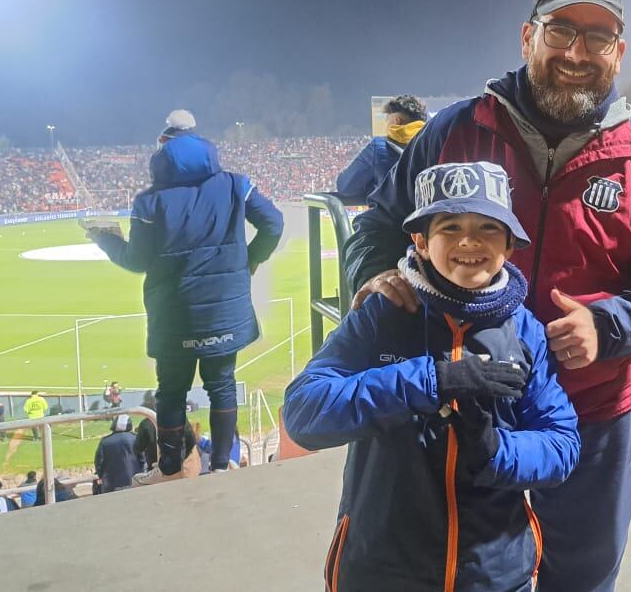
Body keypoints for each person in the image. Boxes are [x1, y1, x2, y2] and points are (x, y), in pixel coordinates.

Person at [338, 0, 631, 590]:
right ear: (527, 36)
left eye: (598, 37)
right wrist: (373, 275)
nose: (577, 52)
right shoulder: (454, 130)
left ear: (619, 53)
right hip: (451, 407)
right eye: (561, 30)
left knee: (579, 581)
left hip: (592, 415)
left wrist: (608, 325)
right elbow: (378, 227)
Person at [284, 162, 581, 591]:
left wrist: (496, 450)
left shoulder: (525, 331)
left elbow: (562, 444)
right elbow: (304, 413)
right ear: (420, 242)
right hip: (383, 570)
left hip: (493, 574)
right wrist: (429, 380)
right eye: (450, 226)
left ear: (511, 246)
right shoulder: (383, 314)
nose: (469, 240)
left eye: (488, 227)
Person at [87, 110, 284, 484]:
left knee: (172, 391)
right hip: (225, 310)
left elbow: (136, 260)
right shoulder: (234, 184)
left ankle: (171, 470)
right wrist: (250, 261)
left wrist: (105, 239)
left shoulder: (150, 202)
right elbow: (273, 223)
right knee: (222, 383)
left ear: (162, 151)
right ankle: (223, 466)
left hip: (173, 314)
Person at [335, 95, 428, 200]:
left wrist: (372, 187)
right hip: (428, 215)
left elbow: (346, 187)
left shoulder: (378, 147)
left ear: (397, 121)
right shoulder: (434, 144)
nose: (387, 125)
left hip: (390, 216)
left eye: (388, 121)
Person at [94, 415, 142, 493]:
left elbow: (98, 462)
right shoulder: (135, 438)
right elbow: (143, 459)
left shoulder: (105, 441)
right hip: (134, 481)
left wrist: (100, 475)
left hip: (111, 484)